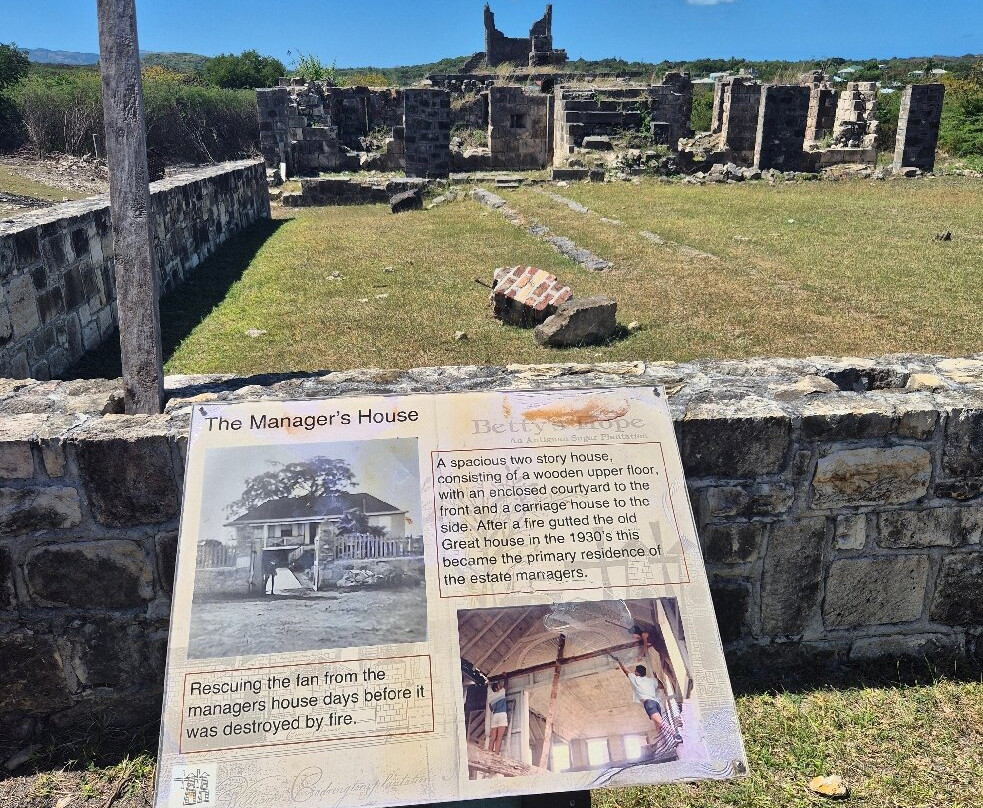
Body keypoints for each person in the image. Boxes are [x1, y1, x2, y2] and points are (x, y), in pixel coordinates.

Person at [486, 677, 509, 755]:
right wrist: (506, 677)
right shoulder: (501, 692)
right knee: (499, 737)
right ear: (497, 688)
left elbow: (491, 708)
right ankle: (496, 755)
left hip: (495, 716)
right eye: (499, 686)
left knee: (492, 737)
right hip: (502, 714)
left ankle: (489, 753)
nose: (500, 686)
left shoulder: (490, 697)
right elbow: (506, 685)